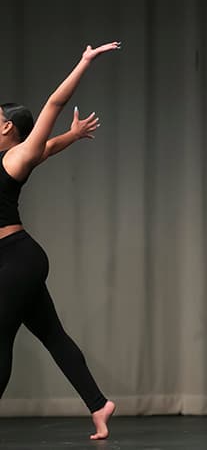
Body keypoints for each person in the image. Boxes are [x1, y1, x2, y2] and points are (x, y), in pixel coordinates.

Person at [0, 41, 120, 440]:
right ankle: (99, 405)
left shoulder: (16, 156)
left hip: (16, 258)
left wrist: (83, 62)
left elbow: (52, 105)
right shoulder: (17, 156)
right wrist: (73, 135)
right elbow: (50, 147)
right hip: (13, 260)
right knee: (52, 334)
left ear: (7, 127)